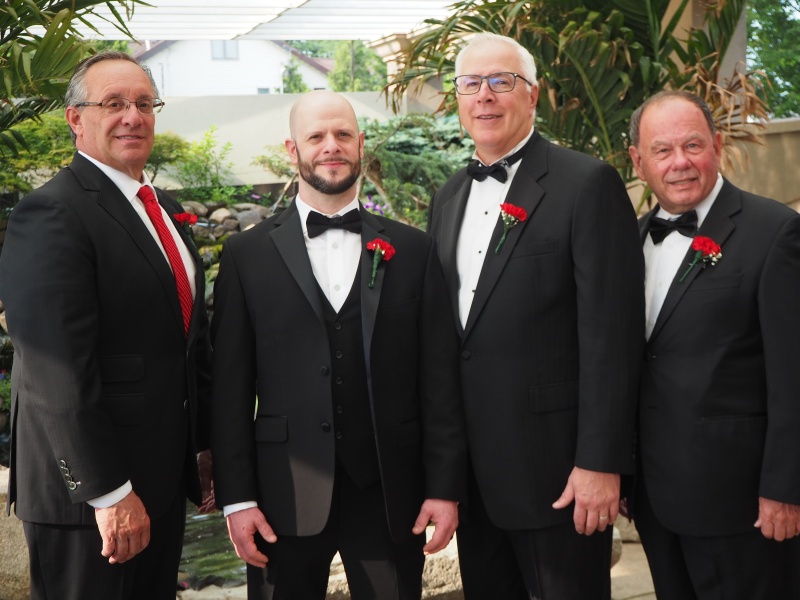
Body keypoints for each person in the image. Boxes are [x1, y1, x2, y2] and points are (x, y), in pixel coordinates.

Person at [210, 90, 467, 600]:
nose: (332, 145)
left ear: (360, 144)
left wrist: (443, 488)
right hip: (282, 496)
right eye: (316, 136)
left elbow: (438, 380)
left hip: (390, 494)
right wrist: (237, 500)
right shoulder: (245, 254)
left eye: (343, 134)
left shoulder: (413, 250)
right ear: (293, 150)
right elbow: (230, 389)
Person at [427, 33, 644, 599]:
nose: (485, 95)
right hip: (477, 485)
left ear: (533, 95)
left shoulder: (586, 184)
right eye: (471, 83)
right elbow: (451, 344)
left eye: (502, 81)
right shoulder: (447, 198)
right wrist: (445, 475)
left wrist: (600, 463)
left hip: (561, 478)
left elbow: (612, 338)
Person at [0, 51, 213, 600]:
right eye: (113, 103)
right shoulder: (52, 212)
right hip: (89, 503)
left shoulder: (160, 207)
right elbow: (54, 370)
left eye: (144, 103)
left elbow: (185, 343)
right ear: (76, 118)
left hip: (158, 486)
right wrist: (109, 493)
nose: (132, 117)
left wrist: (204, 447)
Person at [629, 90, 800, 599]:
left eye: (693, 145)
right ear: (638, 162)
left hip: (742, 503)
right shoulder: (627, 241)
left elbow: (793, 375)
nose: (679, 162)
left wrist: (786, 488)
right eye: (662, 150)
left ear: (718, 146)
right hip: (653, 498)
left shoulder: (776, 232)